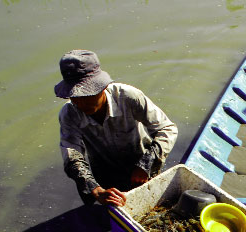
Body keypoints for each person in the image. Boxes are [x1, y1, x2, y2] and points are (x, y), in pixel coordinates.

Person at [54, 49, 178, 206]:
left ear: (102, 87)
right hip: (104, 174)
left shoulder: (128, 97)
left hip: (141, 163)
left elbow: (167, 129)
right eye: (75, 96)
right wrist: (96, 189)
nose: (81, 102)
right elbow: (72, 156)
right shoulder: (69, 113)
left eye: (88, 94)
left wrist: (146, 164)